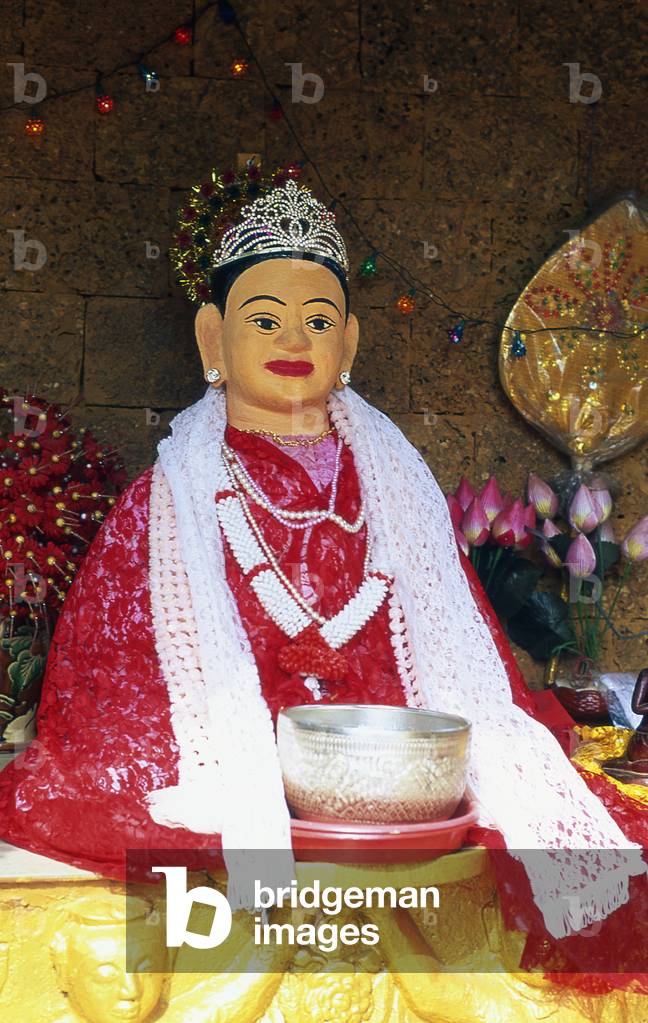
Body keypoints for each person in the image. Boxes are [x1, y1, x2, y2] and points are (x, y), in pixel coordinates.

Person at [0, 169, 645, 986]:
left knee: (506, 833)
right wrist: (242, 744)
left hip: (390, 787)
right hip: (235, 774)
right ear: (211, 339)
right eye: (263, 319)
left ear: (350, 343)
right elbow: (112, 690)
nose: (292, 341)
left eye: (317, 320)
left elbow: (458, 675)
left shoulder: (393, 488)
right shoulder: (166, 502)